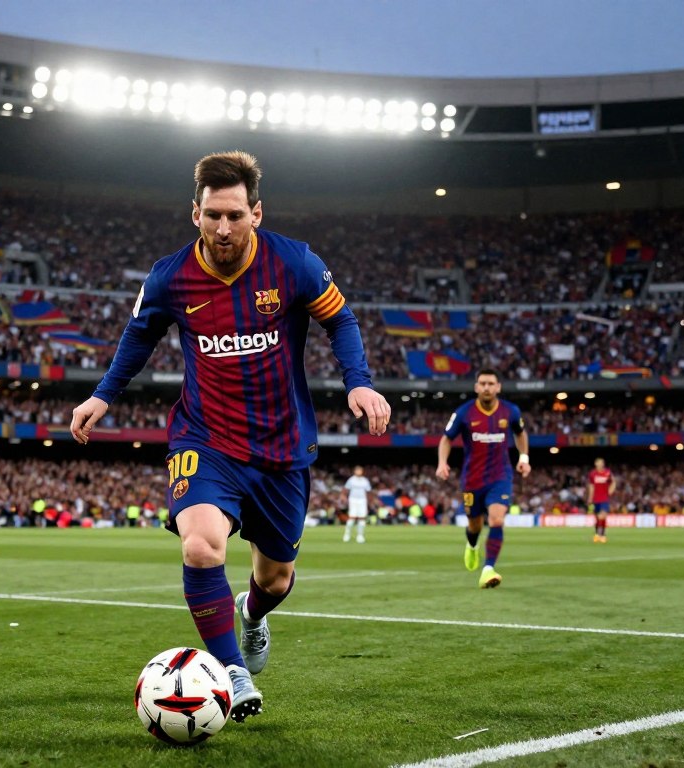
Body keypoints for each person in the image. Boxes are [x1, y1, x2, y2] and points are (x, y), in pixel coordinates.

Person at [70, 151, 390, 723]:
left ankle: (254, 615)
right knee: (200, 545)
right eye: (213, 215)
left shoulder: (294, 263)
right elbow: (138, 336)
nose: (224, 228)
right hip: (205, 437)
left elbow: (340, 320)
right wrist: (103, 394)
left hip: (281, 447)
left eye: (235, 215)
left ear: (256, 214)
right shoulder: (170, 276)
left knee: (276, 578)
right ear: (195, 213)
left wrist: (358, 384)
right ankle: (229, 672)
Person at [435, 368, 530, 589]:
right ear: (476, 387)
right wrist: (442, 462)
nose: (486, 387)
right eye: (482, 383)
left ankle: (488, 569)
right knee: (475, 525)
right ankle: (472, 544)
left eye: (491, 384)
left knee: (497, 519)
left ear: (498, 387)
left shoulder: (511, 411)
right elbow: (446, 439)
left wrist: (523, 457)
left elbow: (520, 433)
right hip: (472, 479)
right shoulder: (464, 413)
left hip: (500, 476)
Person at [587, 457, 615, 543]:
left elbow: (613, 482)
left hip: (604, 498)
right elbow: (591, 486)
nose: (601, 464)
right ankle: (597, 534)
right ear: (596, 464)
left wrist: (610, 491)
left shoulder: (607, 473)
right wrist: (590, 498)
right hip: (596, 498)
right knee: (597, 518)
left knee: (602, 515)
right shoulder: (592, 474)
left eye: (602, 462)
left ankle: (602, 535)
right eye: (599, 462)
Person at [342, 466, 373, 543]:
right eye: (357, 470)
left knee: (362, 518)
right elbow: (345, 489)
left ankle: (360, 535)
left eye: (360, 470)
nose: (359, 472)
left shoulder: (365, 481)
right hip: (353, 500)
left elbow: (368, 491)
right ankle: (347, 534)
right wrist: (344, 497)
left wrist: (369, 501)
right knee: (352, 517)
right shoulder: (351, 480)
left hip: (362, 500)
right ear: (354, 471)